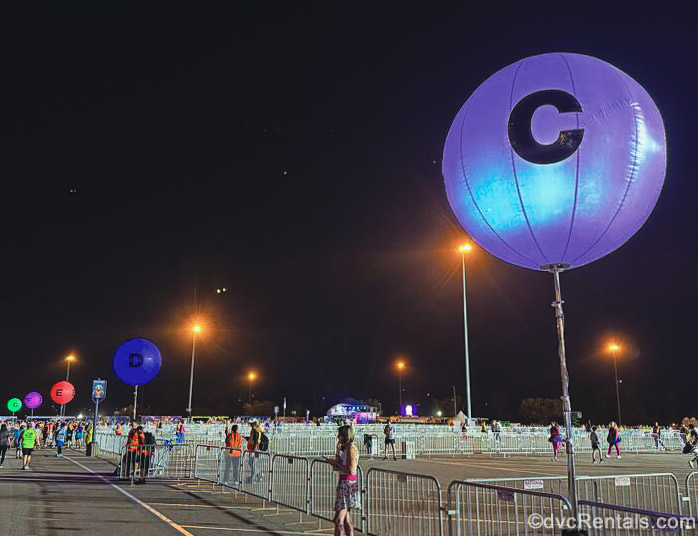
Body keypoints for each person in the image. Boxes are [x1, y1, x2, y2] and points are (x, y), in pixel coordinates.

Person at [329, 425, 360, 536]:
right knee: (346, 520)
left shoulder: (351, 449)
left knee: (338, 520)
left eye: (340, 435)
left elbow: (351, 469)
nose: (338, 437)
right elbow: (339, 467)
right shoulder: (344, 448)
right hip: (343, 483)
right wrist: (336, 461)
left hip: (348, 485)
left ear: (345, 436)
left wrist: (337, 464)